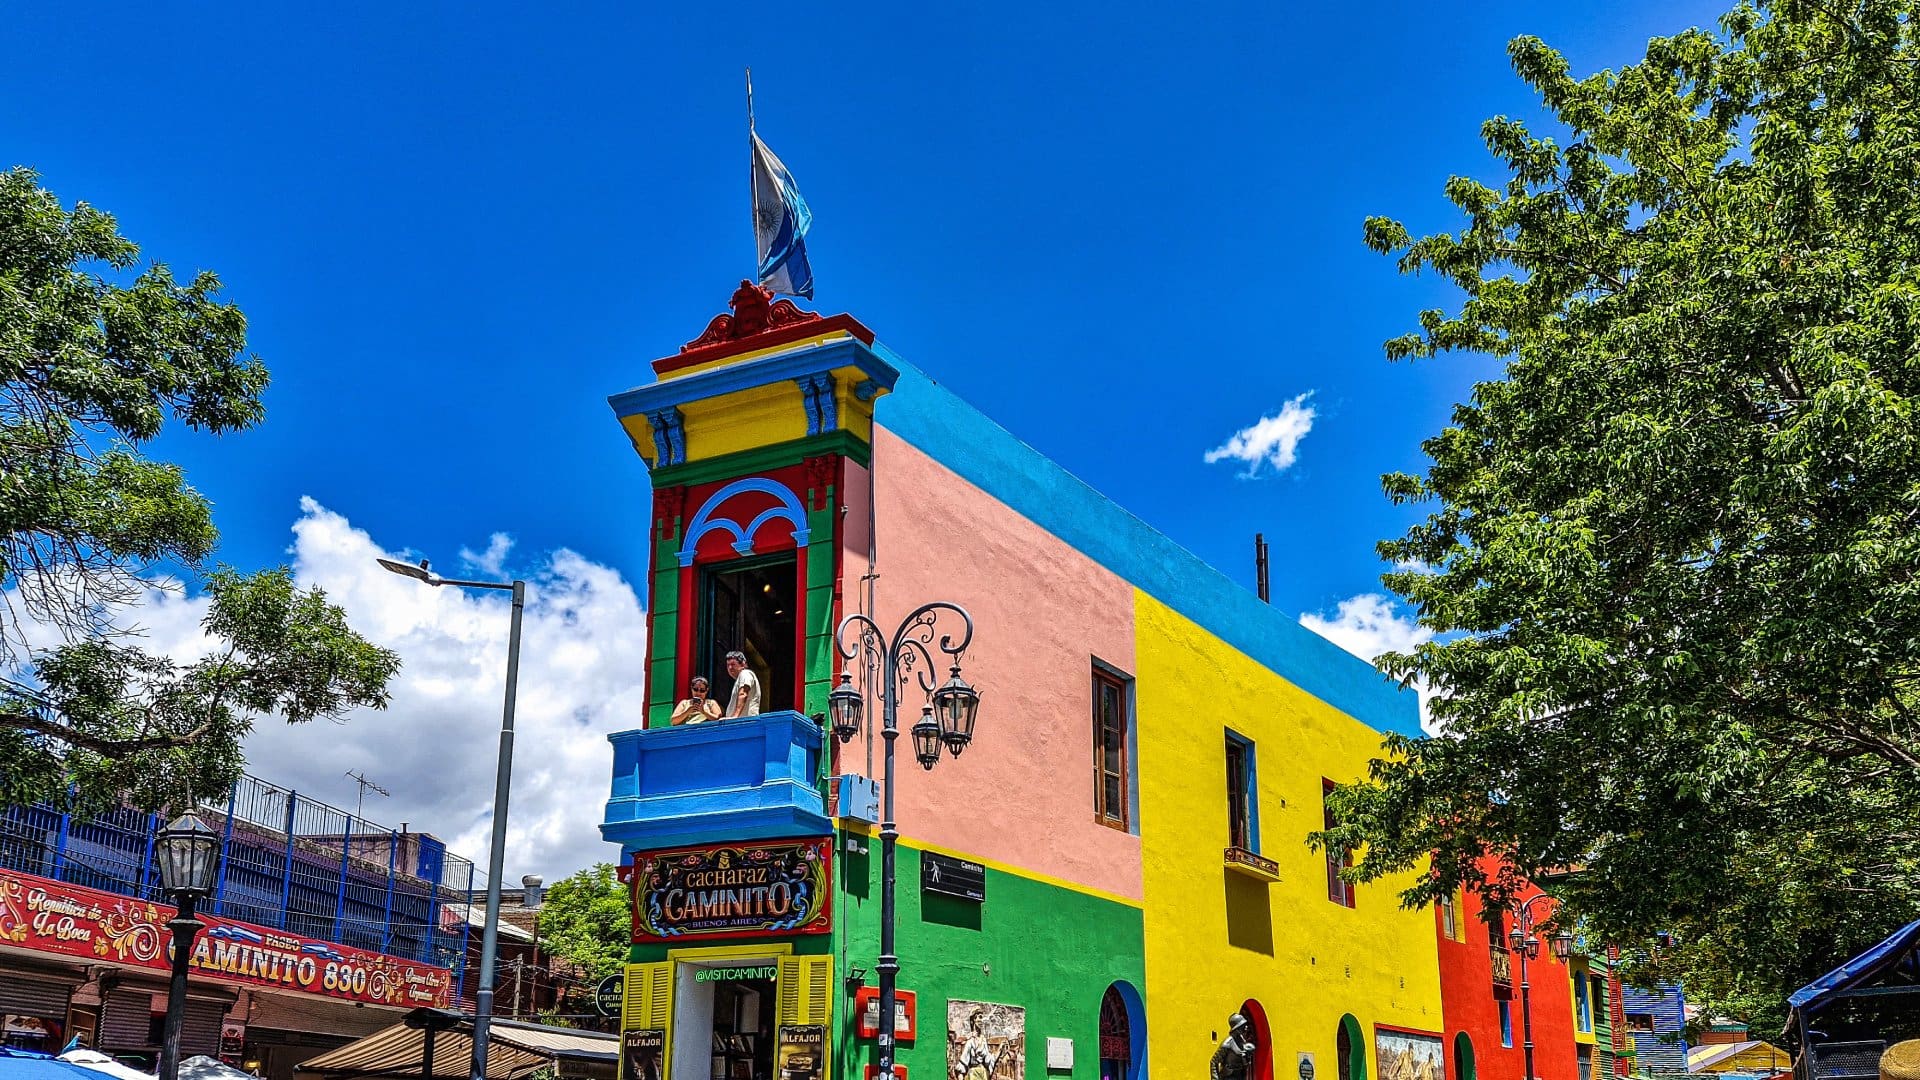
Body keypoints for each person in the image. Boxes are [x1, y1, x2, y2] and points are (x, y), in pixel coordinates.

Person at [1210, 1014, 1255, 1080]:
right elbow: (1214, 1062)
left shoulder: (1241, 1040)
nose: (1246, 1027)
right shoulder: (1227, 1044)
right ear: (1237, 1028)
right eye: (1243, 1026)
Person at [725, 650, 762, 718]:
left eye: (733, 664)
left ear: (742, 664)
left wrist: (735, 716)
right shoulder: (740, 678)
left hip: (744, 722)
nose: (730, 668)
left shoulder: (745, 673)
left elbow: (743, 694)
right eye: (728, 665)